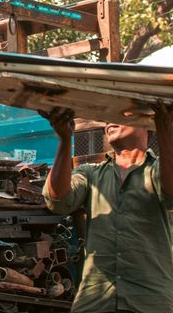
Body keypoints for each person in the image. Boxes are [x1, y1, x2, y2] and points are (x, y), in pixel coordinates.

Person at [43, 105, 173, 313]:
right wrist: (65, 139)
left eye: (120, 112)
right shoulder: (90, 174)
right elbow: (57, 200)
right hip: (94, 301)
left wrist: (165, 127)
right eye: (105, 118)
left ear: (146, 124)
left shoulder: (157, 170)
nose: (109, 121)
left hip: (150, 300)